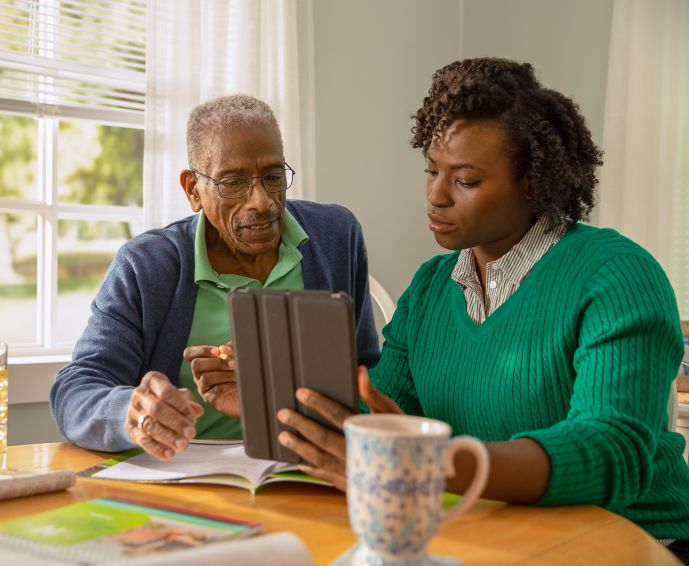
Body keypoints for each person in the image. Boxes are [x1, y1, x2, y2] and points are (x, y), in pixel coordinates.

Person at [276, 57, 689, 551]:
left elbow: (610, 451)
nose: (436, 195)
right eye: (431, 171)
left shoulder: (615, 273)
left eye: (466, 181)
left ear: (534, 180)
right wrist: (273, 399)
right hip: (491, 538)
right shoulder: (431, 287)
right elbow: (379, 416)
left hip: (633, 544)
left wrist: (430, 462)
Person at [50, 94, 379, 460]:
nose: (261, 201)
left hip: (311, 471)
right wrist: (133, 411)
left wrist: (279, 395)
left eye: (272, 177)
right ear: (193, 189)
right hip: (185, 477)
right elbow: (75, 390)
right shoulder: (147, 265)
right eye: (233, 182)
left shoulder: (336, 235)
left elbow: (369, 374)